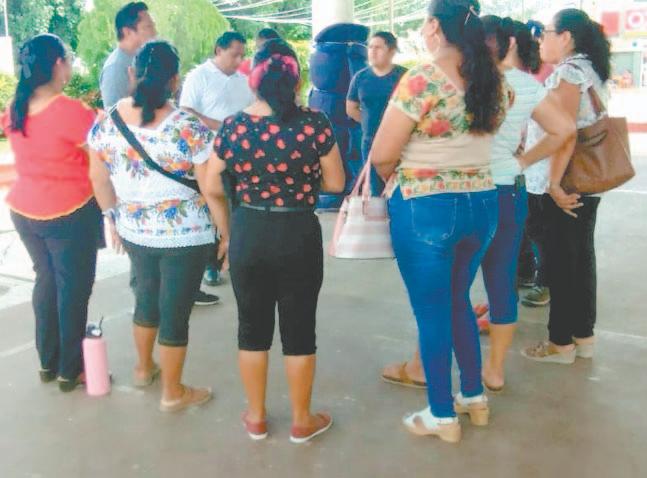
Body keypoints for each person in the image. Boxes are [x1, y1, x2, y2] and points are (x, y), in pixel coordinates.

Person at [371, 0, 507, 443]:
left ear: (433, 26)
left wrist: (396, 178)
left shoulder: (422, 78)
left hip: (426, 206)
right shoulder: (494, 79)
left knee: (431, 313)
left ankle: (442, 415)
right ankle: (474, 398)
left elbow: (382, 154)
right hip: (482, 203)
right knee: (457, 301)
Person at [201, 39, 345, 443]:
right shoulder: (315, 123)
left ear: (254, 81)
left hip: (249, 231)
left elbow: (211, 185)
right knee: (300, 330)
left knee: (251, 328)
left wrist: (228, 231)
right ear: (296, 81)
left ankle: (256, 417)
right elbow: (336, 182)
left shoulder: (234, 126)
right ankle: (302, 421)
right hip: (298, 232)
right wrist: (301, 184)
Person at [89, 41, 217, 412]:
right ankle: (173, 393)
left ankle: (144, 369)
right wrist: (224, 229)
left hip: (134, 230)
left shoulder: (108, 121)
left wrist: (111, 218)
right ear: (175, 80)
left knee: (146, 298)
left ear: (133, 74)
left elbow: (98, 179)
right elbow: (211, 187)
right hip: (186, 235)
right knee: (175, 311)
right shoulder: (188, 126)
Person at [0, 34, 103, 392]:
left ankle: (48, 362)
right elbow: (101, 157)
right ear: (59, 64)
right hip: (67, 212)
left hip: (24, 211)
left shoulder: (15, 107)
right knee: (72, 290)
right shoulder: (69, 110)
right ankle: (70, 370)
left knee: (46, 281)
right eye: (68, 58)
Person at [478, 16, 575, 391]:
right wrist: (522, 161)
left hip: (463, 190)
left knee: (451, 283)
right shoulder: (523, 84)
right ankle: (495, 370)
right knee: (502, 279)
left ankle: (430, 365)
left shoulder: (462, 81)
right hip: (507, 188)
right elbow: (564, 129)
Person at [522, 9, 611, 364]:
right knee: (579, 260)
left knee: (560, 263)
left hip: (564, 184)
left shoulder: (569, 74)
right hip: (586, 182)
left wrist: (555, 184)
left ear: (566, 37)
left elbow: (565, 133)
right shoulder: (591, 70)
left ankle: (560, 343)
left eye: (545, 33)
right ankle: (583, 337)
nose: (540, 41)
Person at [180, 31, 255, 288]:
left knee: (239, 209)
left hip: (241, 155)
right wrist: (221, 126)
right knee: (213, 209)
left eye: (242, 55)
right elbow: (186, 112)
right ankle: (212, 265)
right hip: (208, 156)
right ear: (218, 50)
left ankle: (238, 260)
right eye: (234, 55)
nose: (239, 61)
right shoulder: (198, 77)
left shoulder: (244, 82)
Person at [346, 31, 407, 194]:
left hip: (399, 142)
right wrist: (368, 122)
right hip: (370, 143)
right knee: (375, 191)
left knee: (398, 189)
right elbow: (351, 108)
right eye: (370, 47)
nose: (373, 51)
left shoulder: (404, 76)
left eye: (378, 48)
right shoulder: (360, 78)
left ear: (391, 51)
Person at [100, 2, 156, 109]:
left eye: (153, 26)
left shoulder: (146, 58)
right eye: (148, 27)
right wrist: (133, 93)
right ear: (127, 32)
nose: (154, 32)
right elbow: (114, 116)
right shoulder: (115, 68)